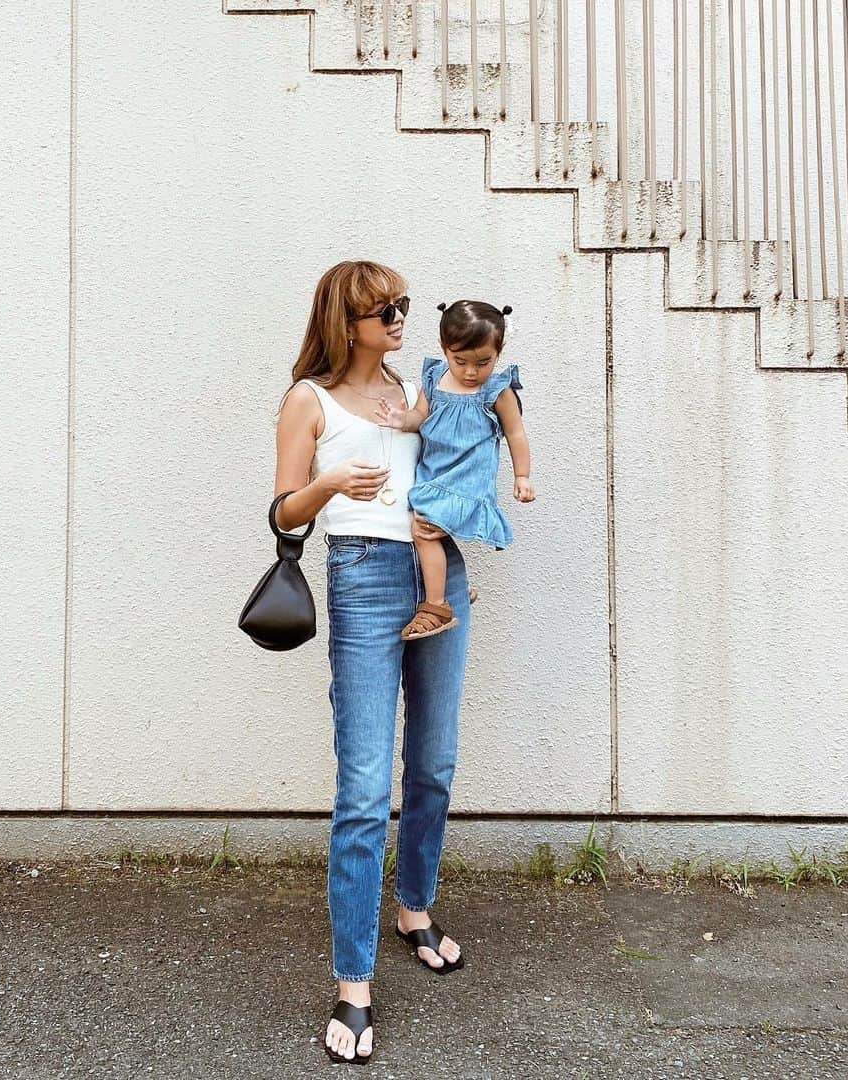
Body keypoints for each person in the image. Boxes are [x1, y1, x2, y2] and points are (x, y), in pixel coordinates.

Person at [273, 260, 470, 1065]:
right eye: (383, 310)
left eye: (403, 307)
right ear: (343, 320)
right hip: (360, 574)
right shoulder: (308, 400)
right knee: (362, 788)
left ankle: (413, 907)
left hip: (439, 571)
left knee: (434, 763)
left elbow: (470, 444)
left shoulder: (420, 385)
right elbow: (284, 510)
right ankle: (353, 984)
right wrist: (329, 484)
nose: (399, 319)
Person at [376, 300, 535, 641]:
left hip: (467, 481)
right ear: (443, 349)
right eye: (460, 360)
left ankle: (436, 606)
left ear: (498, 352)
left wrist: (522, 476)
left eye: (483, 362)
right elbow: (420, 416)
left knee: (423, 530)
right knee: (426, 531)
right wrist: (401, 420)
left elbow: (516, 433)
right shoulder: (434, 378)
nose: (471, 372)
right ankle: (455, 590)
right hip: (434, 475)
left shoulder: (496, 390)